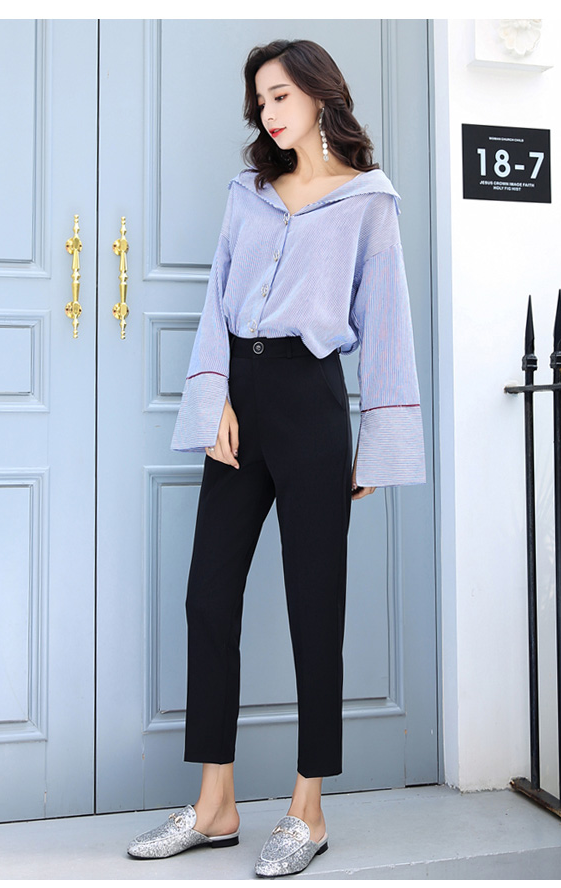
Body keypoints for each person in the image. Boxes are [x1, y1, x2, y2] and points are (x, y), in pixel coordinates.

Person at [127, 38, 425, 877]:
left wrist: (378, 446)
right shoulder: (248, 194)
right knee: (208, 597)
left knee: (313, 607)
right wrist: (213, 396)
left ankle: (308, 809)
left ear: (321, 95)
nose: (268, 112)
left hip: (312, 402)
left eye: (281, 95)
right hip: (240, 400)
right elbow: (215, 301)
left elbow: (387, 323)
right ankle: (215, 806)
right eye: (260, 100)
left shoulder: (369, 201)